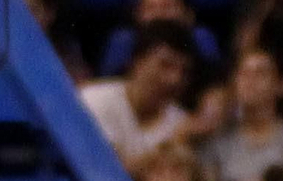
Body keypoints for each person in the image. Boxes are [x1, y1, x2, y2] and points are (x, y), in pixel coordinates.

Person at [201, 47, 283, 181]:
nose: (250, 81)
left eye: (260, 74)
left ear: (278, 85)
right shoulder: (219, 138)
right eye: (243, 74)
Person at [80, 24, 197, 167]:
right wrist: (169, 147)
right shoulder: (95, 99)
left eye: (183, 71)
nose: (175, 79)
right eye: (166, 65)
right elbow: (103, 171)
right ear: (137, 62)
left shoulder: (180, 122)